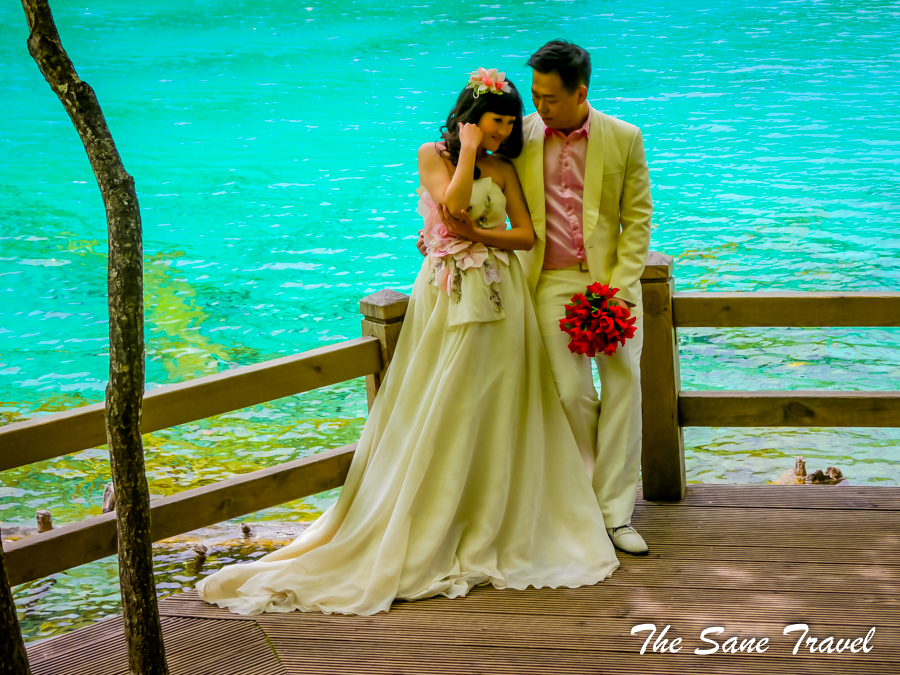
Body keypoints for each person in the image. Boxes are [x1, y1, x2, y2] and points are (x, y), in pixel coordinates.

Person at [195, 68, 620, 617]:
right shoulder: (434, 154)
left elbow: (524, 236)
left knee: (499, 396)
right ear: (471, 117)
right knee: (447, 396)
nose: (502, 132)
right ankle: (437, 513)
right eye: (495, 121)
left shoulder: (506, 166)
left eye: (510, 123)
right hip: (447, 294)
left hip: (501, 291)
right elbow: (453, 208)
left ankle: (495, 510)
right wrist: (467, 153)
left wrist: (480, 237)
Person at [423, 41, 653, 555]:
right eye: (535, 95)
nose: (539, 107)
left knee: (625, 384)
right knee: (570, 395)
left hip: (611, 281)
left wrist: (615, 291)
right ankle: (585, 502)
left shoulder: (624, 137)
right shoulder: (516, 138)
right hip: (549, 282)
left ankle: (616, 515)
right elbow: (468, 180)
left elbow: (637, 222)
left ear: (580, 93)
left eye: (548, 98)